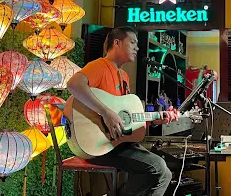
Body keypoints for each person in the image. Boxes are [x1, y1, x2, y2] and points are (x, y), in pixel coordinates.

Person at [67, 26, 178, 196]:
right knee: (157, 167)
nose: (137, 48)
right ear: (117, 43)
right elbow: (74, 84)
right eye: (133, 42)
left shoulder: (124, 77)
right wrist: (105, 112)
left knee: (165, 173)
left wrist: (155, 119)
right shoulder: (99, 66)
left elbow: (125, 119)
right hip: (98, 146)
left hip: (116, 143)